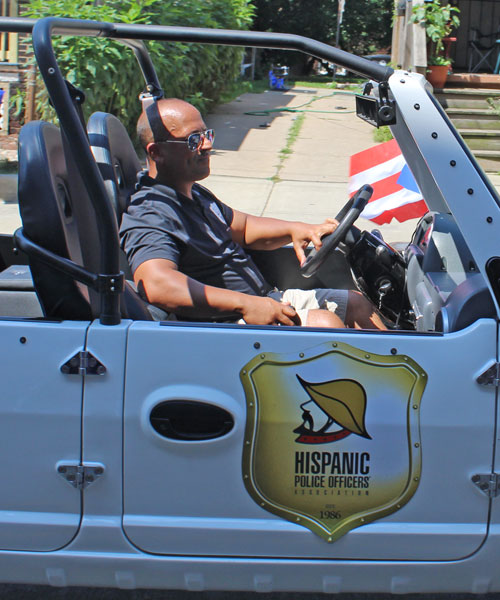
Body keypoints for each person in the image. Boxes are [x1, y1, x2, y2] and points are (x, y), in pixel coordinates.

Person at [119, 98, 386, 329]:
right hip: (225, 325)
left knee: (356, 304)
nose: (206, 145)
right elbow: (156, 284)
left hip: (264, 301)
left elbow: (243, 228)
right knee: (325, 324)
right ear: (157, 152)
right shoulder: (150, 211)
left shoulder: (192, 192)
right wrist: (246, 304)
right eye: (192, 140)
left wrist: (299, 229)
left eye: (206, 134)